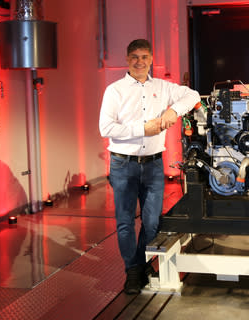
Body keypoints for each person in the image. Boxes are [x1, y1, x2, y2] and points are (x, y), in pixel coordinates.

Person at [99, 39, 200, 294]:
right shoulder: (115, 90)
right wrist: (141, 129)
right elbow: (106, 128)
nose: (139, 61)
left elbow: (193, 95)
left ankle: (142, 264)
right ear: (127, 59)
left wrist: (173, 112)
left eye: (144, 57)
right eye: (134, 56)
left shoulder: (163, 87)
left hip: (154, 164)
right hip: (123, 164)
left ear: (152, 59)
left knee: (152, 221)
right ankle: (133, 271)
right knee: (124, 222)